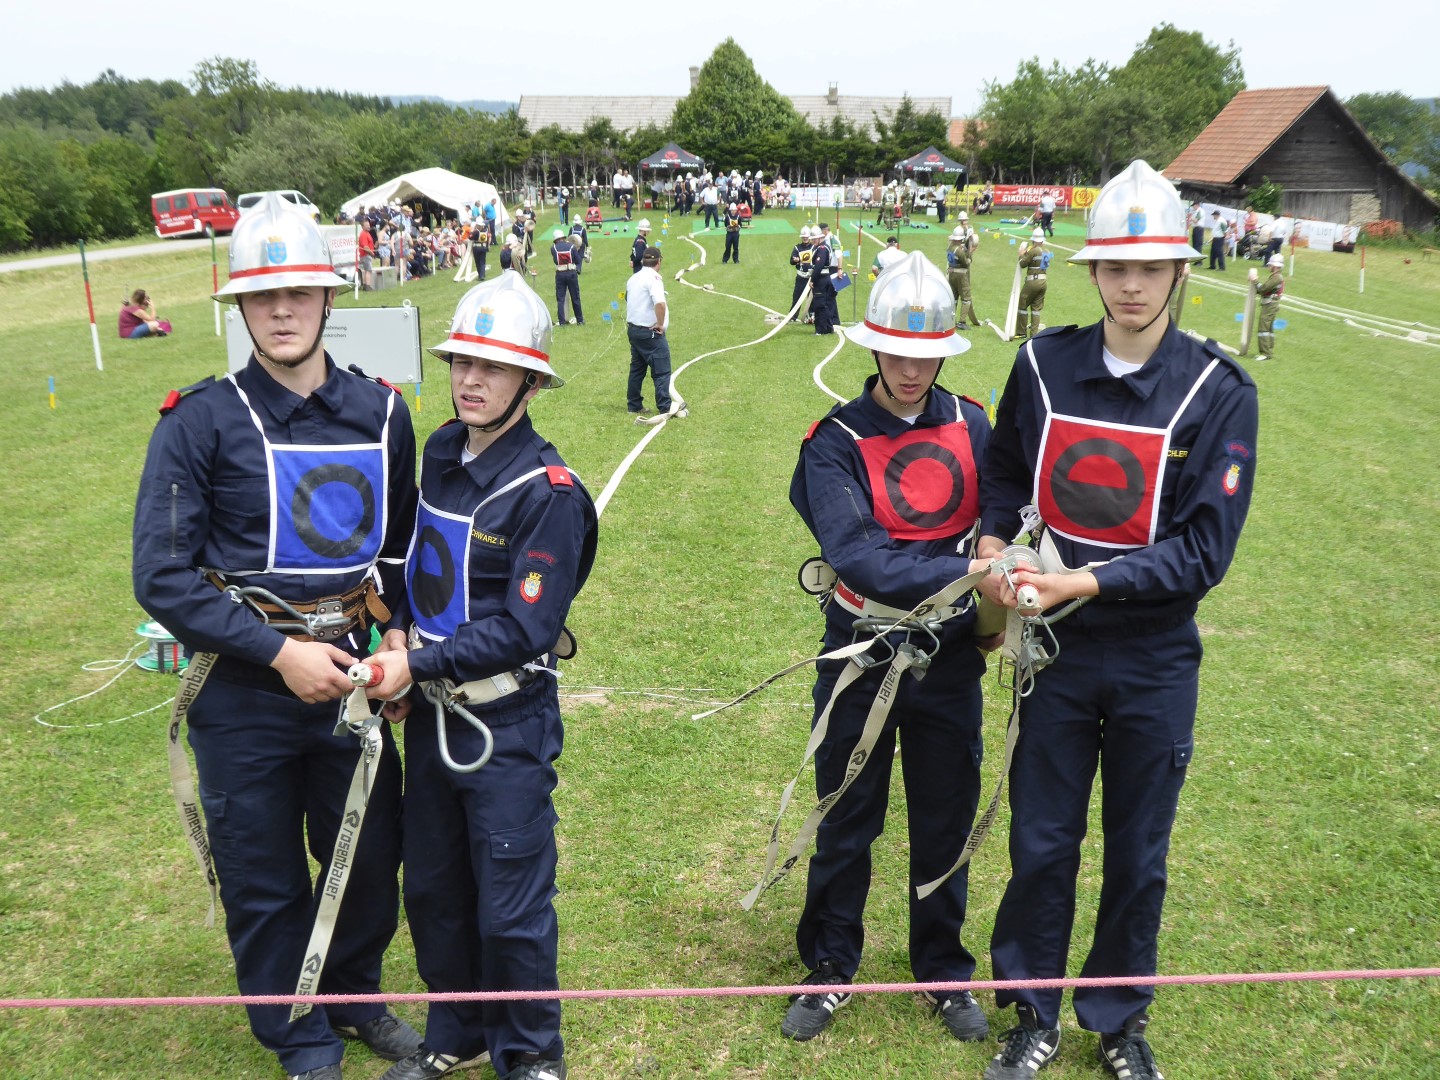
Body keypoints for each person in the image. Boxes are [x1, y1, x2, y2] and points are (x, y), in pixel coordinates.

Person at [974, 159, 1258, 1080]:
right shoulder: (1041, 364)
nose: (1131, 285)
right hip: (1054, 654)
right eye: (1116, 267)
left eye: (1151, 268)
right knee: (1041, 841)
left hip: (1152, 656)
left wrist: (1082, 583)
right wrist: (997, 545)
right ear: (1091, 271)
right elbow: (1005, 467)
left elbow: (1203, 551)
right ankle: (1033, 1013)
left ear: (1180, 271)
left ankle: (1119, 1019)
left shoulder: (1219, 390)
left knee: (1138, 850)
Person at [132, 193, 421, 1080]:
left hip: (353, 682)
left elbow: (400, 552)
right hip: (243, 693)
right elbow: (164, 576)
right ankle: (298, 1036)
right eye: (264, 296)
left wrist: (401, 640)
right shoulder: (197, 421)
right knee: (262, 873)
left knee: (367, 856)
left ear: (329, 297)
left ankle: (355, 997)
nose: (283, 311)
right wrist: (279, 654)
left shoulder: (384, 414)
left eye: (299, 293)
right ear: (241, 307)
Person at [366, 272, 597, 1080]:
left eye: (493, 368)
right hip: (430, 715)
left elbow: (525, 630)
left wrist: (412, 664)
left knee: (510, 903)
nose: (470, 380)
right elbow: (416, 565)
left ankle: (531, 1052)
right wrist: (399, 630)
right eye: (462, 362)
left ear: (529, 384)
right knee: (434, 888)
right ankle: (456, 1031)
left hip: (505, 724)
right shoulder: (440, 449)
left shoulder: (549, 493)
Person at [782, 250, 993, 1046]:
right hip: (862, 655)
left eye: (925, 353)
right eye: (897, 352)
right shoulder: (833, 439)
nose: (911, 369)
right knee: (846, 816)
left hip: (950, 659)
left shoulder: (974, 423)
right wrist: (971, 571)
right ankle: (831, 967)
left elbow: (1007, 516)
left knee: (946, 820)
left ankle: (943, 972)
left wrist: (997, 580)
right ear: (873, 346)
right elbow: (859, 556)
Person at [625, 246, 673, 420]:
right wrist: (660, 324)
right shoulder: (654, 279)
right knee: (662, 369)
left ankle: (634, 404)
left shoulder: (633, 278)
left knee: (637, 368)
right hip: (649, 331)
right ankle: (665, 406)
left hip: (634, 329)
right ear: (659, 261)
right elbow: (660, 303)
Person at [947, 215, 982, 328]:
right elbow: (966, 262)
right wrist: (970, 252)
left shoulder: (950, 248)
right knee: (966, 298)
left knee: (954, 298)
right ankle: (962, 322)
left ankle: (951, 319)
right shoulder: (959, 250)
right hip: (961, 275)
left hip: (952, 274)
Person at [1015, 228, 1050, 339]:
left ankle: (1021, 332)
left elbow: (1023, 263)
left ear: (1034, 240)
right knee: (1036, 309)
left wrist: (1021, 254)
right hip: (1043, 282)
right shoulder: (1047, 251)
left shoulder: (1034, 251)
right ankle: (1034, 335)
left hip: (1033, 281)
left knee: (1022, 304)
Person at [1253, 253, 1284, 360]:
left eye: (1270, 265)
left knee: (1263, 329)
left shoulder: (1276, 277)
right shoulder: (1276, 277)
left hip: (1269, 305)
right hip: (1271, 304)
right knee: (1268, 329)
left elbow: (1263, 289)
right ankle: (1268, 351)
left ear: (1275, 266)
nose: (1269, 266)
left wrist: (1255, 281)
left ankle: (1265, 353)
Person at [550, 228, 583, 326]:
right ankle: (580, 320)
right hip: (571, 273)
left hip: (560, 274)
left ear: (556, 239)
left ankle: (562, 321)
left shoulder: (553, 248)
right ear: (563, 238)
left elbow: (555, 261)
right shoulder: (571, 246)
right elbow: (578, 260)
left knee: (560, 299)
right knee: (575, 297)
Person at [809, 227, 837, 336]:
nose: (813, 241)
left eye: (814, 239)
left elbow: (818, 266)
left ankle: (820, 329)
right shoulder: (823, 247)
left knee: (819, 305)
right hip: (824, 278)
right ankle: (828, 328)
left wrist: (812, 279)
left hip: (821, 279)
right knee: (825, 304)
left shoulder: (822, 249)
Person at [789, 226, 815, 322]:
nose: (805, 239)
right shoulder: (797, 248)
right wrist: (795, 260)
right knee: (797, 296)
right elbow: (791, 261)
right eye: (803, 237)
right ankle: (793, 316)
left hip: (811, 277)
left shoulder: (813, 247)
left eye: (806, 237)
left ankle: (811, 316)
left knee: (811, 298)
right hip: (801, 276)